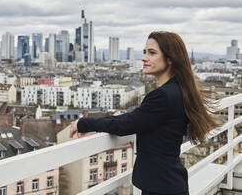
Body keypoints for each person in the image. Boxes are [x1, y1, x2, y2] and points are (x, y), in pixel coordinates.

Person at [70, 31, 220, 195]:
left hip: (161, 186)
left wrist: (83, 123)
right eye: (144, 52)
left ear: (170, 59)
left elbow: (125, 124)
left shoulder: (163, 95)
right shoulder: (179, 90)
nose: (144, 58)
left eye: (152, 53)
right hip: (168, 182)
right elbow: (139, 120)